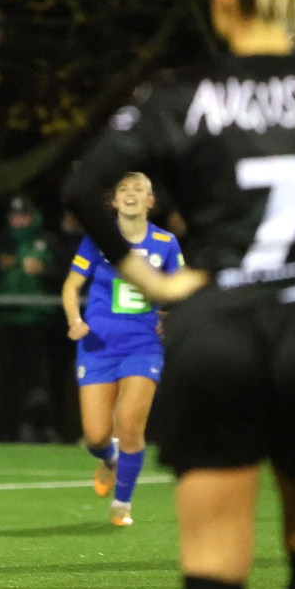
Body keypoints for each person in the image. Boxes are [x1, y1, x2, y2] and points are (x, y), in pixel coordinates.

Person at [64, 0, 295, 589]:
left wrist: (157, 282)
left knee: (214, 568)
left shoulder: (180, 93)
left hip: (219, 327)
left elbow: (85, 185)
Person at [61, 172, 183, 526]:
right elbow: (71, 287)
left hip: (144, 346)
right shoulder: (97, 240)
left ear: (150, 201)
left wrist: (171, 316)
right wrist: (74, 320)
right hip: (97, 345)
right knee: (96, 436)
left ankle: (122, 505)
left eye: (139, 189)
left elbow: (179, 290)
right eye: (123, 190)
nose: (130, 194)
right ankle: (109, 457)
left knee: (129, 423)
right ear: (113, 202)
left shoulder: (166, 242)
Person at [0, 196, 60, 442]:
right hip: (3, 322)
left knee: (39, 381)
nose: (19, 221)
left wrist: (44, 272)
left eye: (24, 215)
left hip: (40, 322)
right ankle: (6, 432)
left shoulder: (47, 242)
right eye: (15, 216)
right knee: (5, 381)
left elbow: (66, 278)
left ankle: (40, 428)